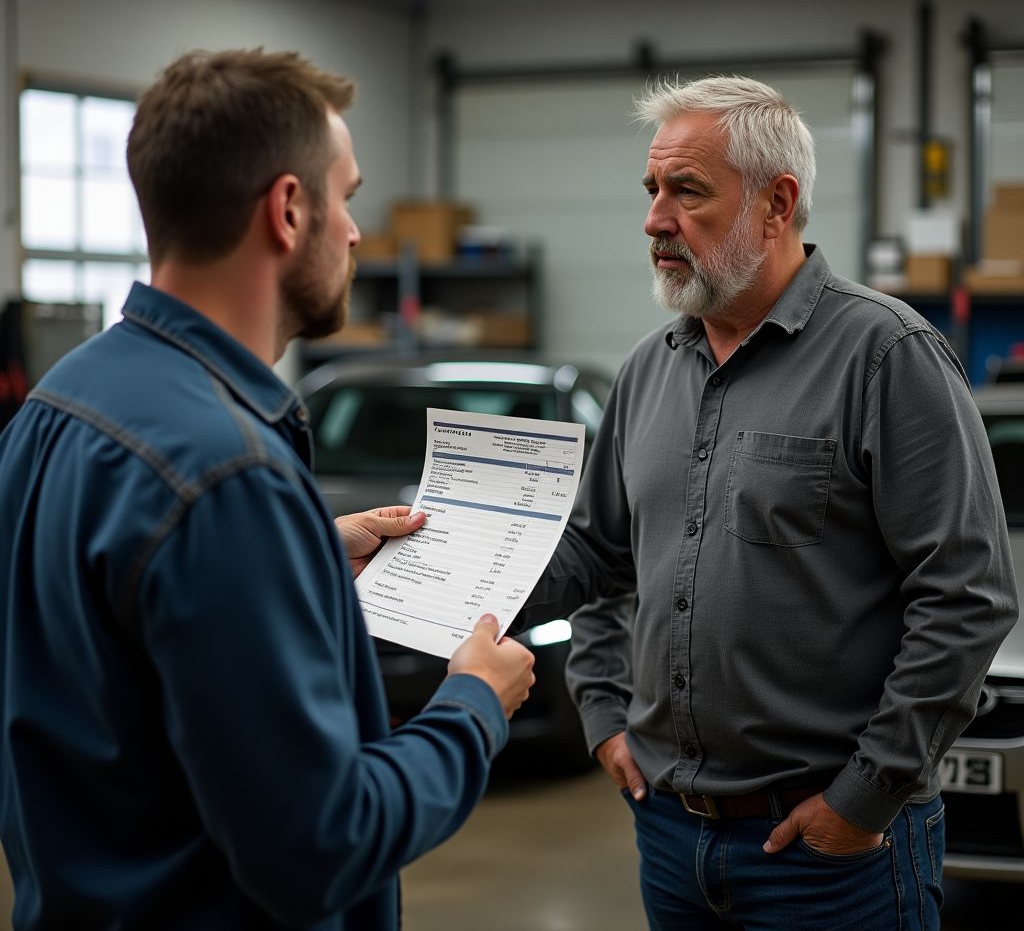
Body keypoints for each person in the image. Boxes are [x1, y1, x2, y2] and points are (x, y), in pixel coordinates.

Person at [0, 48, 536, 930]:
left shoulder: (60, 403)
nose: (358, 233)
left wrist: (309, 555)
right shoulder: (228, 474)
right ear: (288, 210)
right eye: (350, 196)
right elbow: (318, 845)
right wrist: (473, 704)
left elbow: (105, 639)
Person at [514, 75, 1018, 930]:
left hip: (830, 857)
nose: (654, 220)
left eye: (687, 192)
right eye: (651, 191)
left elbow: (966, 598)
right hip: (670, 835)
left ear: (776, 203)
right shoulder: (647, 370)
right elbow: (600, 557)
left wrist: (862, 799)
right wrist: (598, 707)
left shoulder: (886, 357)